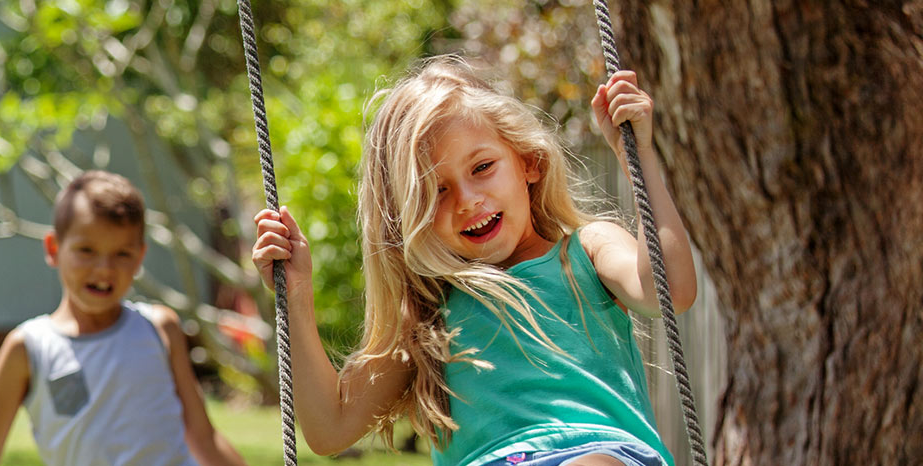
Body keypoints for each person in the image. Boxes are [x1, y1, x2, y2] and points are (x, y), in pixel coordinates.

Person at [250, 55, 697, 466]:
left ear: (529, 162)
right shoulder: (428, 314)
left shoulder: (587, 251)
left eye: (482, 167)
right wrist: (297, 296)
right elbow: (330, 428)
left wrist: (636, 156)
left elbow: (669, 289)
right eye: (436, 191)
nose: (467, 201)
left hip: (601, 454)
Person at [0, 171, 247, 466]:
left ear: (139, 258)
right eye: (86, 250)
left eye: (122, 254)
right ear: (53, 249)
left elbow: (203, 437)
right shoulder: (28, 348)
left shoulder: (159, 329)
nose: (104, 269)